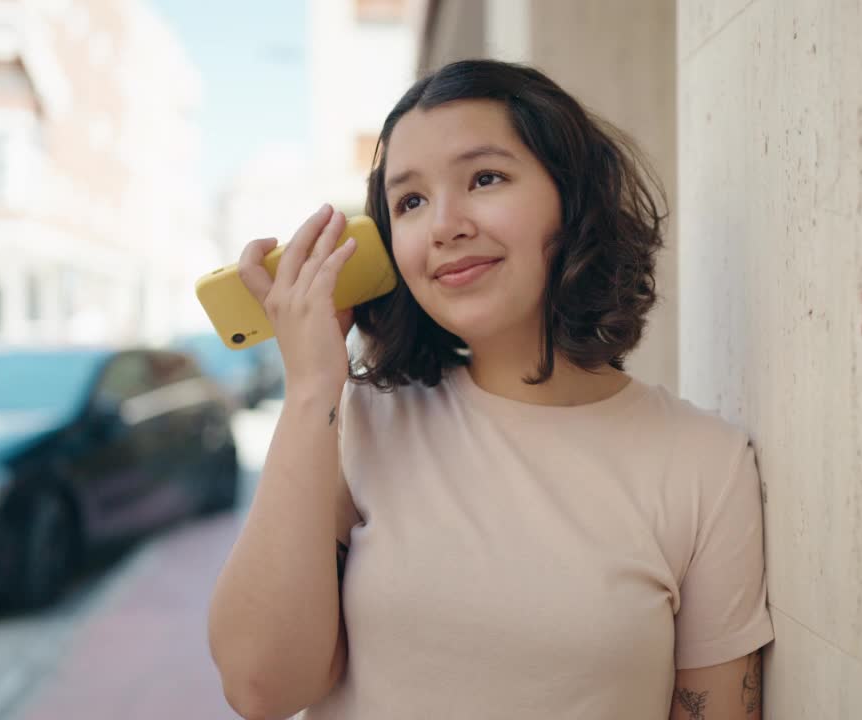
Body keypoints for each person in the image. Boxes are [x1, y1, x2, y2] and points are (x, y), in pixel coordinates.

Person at [207, 59, 773, 720]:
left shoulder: (706, 462)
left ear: (575, 200)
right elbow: (261, 688)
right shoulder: (353, 422)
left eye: (485, 178)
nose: (444, 224)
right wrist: (310, 392)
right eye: (410, 201)